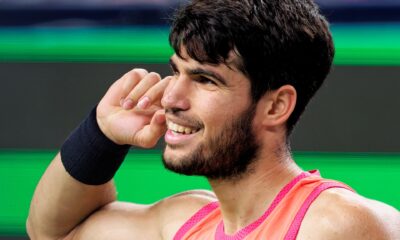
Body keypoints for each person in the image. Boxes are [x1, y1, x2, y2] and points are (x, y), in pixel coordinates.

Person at [27, 0, 400, 239]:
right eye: (177, 71)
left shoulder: (337, 225)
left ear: (275, 106)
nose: (170, 97)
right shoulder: (185, 221)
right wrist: (103, 134)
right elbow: (53, 231)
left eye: (205, 80)